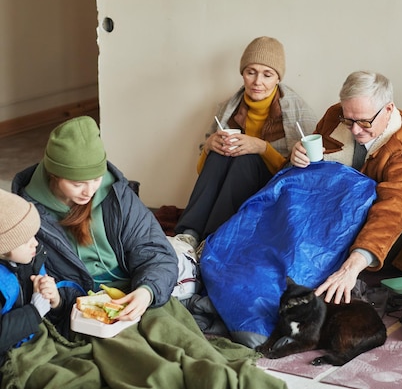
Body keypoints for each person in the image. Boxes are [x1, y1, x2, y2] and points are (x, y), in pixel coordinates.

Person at [10, 116, 286, 389]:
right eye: (77, 183)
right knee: (144, 366)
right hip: (87, 310)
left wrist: (147, 291)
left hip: (138, 291)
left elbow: (154, 250)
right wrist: (60, 301)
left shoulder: (115, 194)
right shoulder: (27, 216)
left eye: (95, 179)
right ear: (54, 174)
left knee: (188, 349)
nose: (89, 190)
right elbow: (34, 279)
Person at [290, 70, 402, 304]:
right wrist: (298, 158)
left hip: (394, 234)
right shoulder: (335, 116)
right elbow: (316, 178)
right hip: (336, 216)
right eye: (348, 120)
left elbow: (393, 211)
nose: (356, 130)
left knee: (364, 192)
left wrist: (352, 265)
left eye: (364, 121)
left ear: (389, 109)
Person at [174, 36, 317, 249]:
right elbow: (201, 168)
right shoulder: (228, 108)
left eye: (267, 74)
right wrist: (209, 146)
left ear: (278, 79)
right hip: (232, 187)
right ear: (243, 74)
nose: (257, 81)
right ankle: (189, 233)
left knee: (246, 158)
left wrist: (262, 148)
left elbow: (304, 176)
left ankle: (215, 237)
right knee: (220, 151)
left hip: (273, 189)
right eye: (251, 72)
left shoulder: (298, 112)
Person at [0, 190, 60, 369]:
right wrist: (33, 311)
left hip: (35, 337)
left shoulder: (29, 257)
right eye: (25, 240)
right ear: (3, 249)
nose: (35, 243)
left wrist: (56, 300)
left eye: (33, 235)